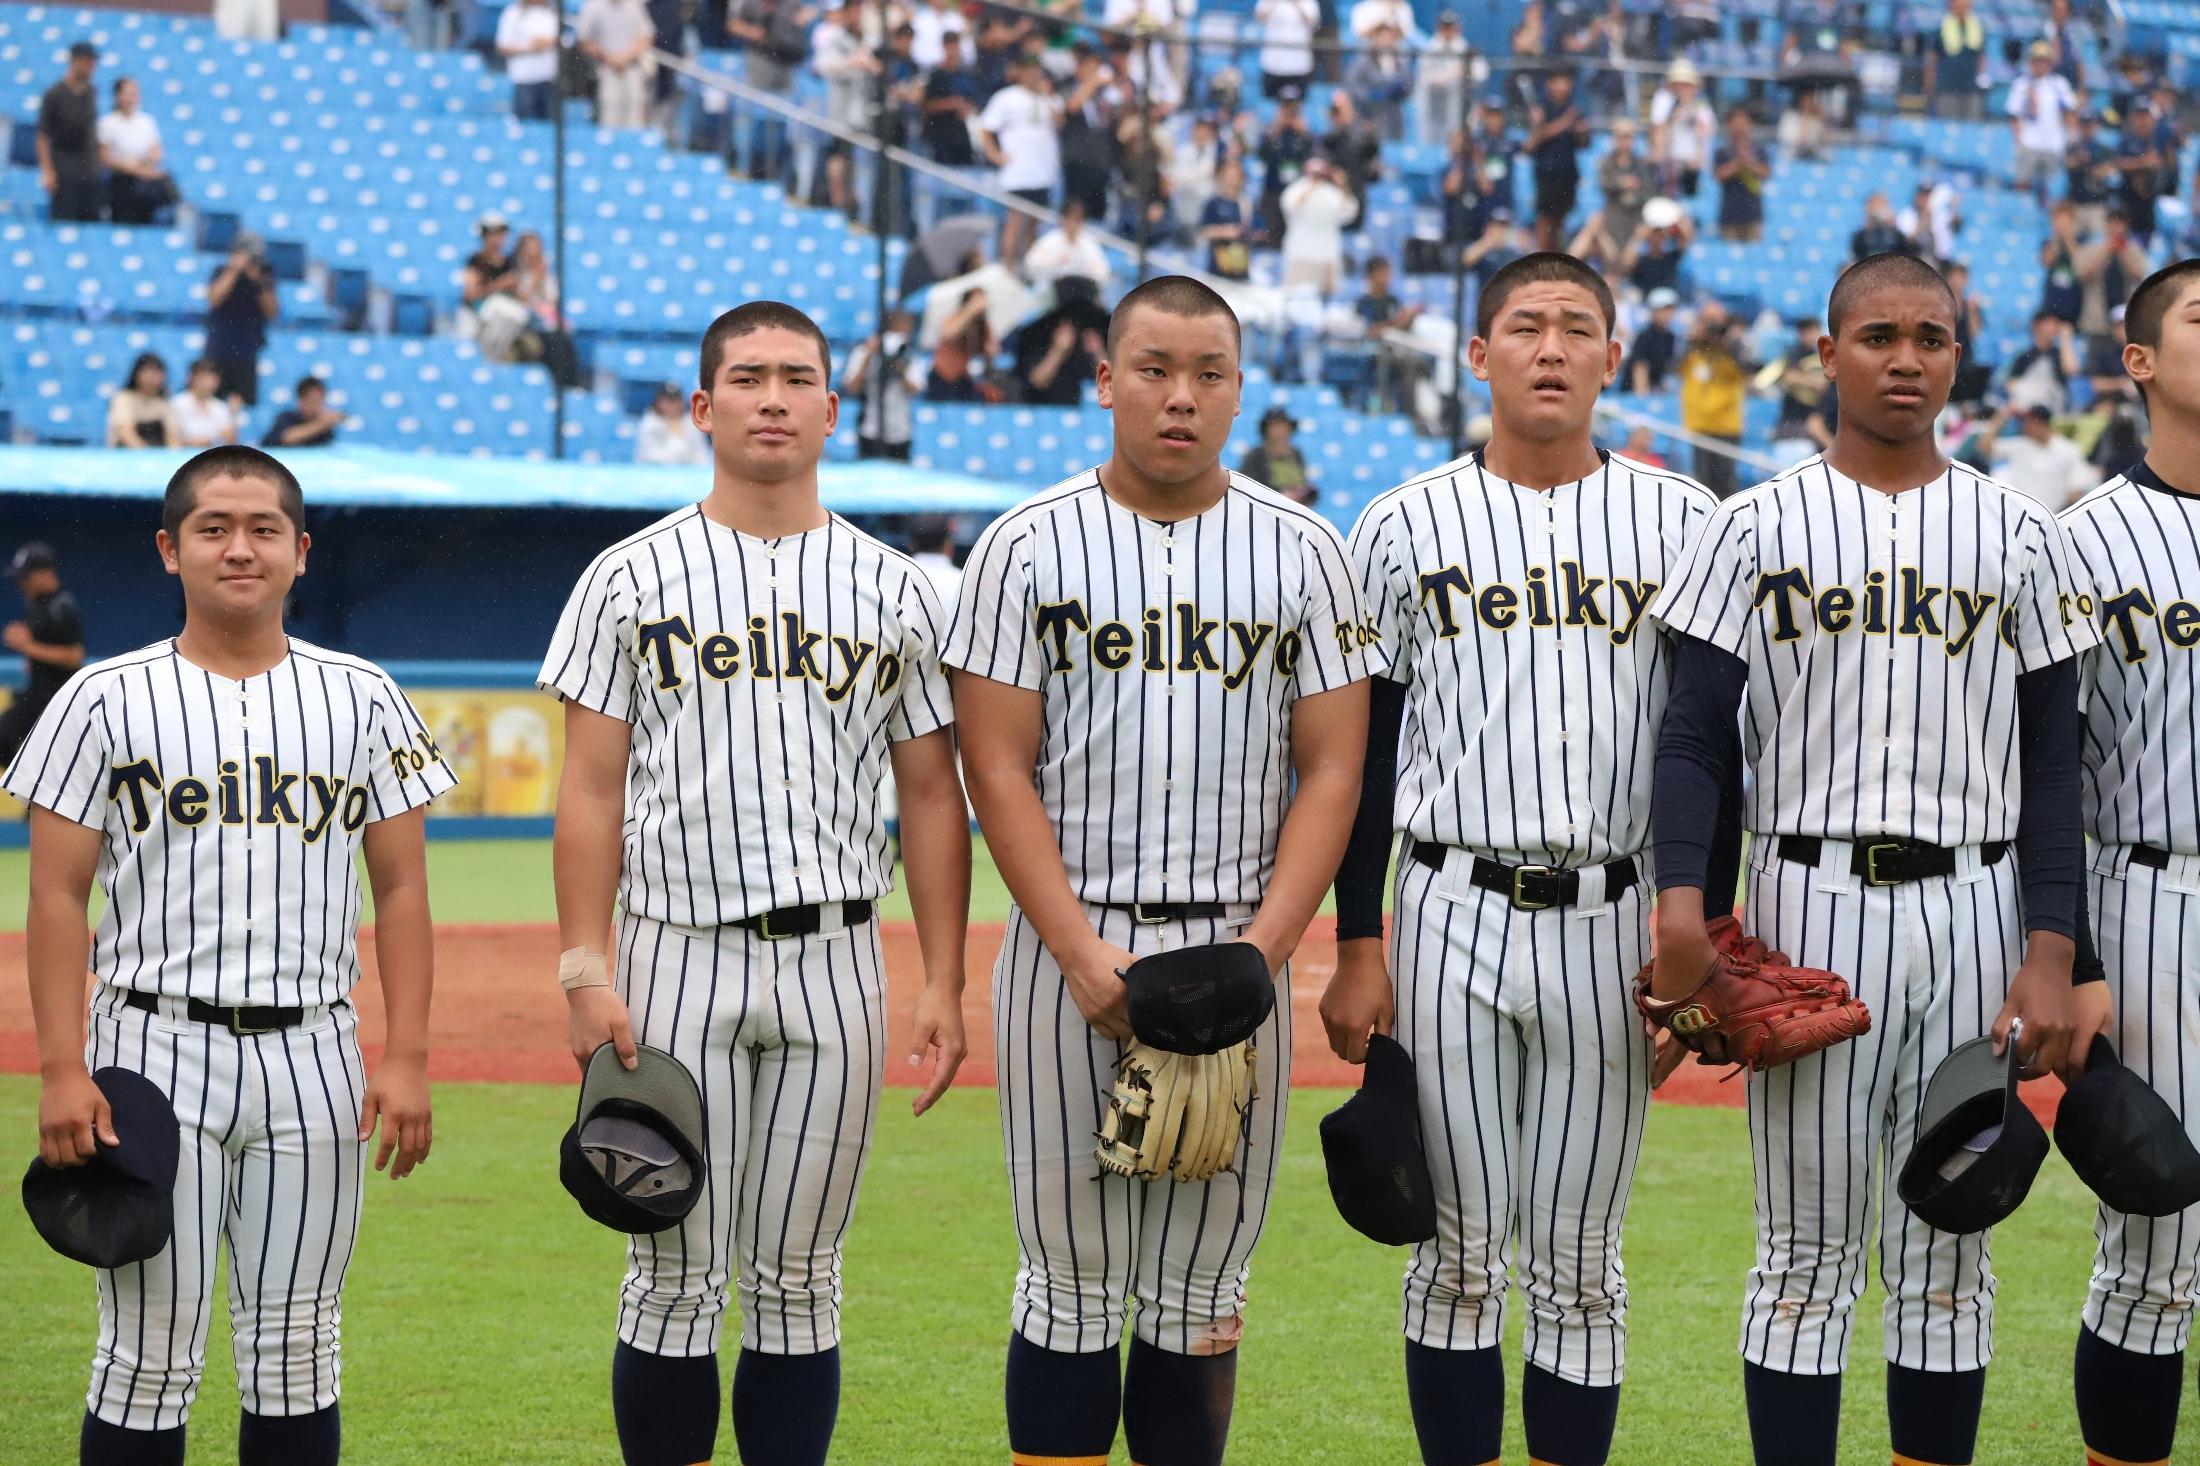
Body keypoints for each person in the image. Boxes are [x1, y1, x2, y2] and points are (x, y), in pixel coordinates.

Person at [1644, 252, 2102, 1466]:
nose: (1907, 359)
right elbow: (1692, 734)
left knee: (1948, 1250)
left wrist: (2050, 946)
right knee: (1802, 1254)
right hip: (1807, 901)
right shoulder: (1749, 526)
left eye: (1932, 338)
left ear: (1960, 354)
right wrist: (1683, 904)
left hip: (1973, 902)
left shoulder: (2018, 531)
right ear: (1827, 350)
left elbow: (2054, 762)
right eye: (1881, 336)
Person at [946, 274, 1371, 1466]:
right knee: (1069, 1281)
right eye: (1153, 370)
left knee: (1197, 1290)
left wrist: (1264, 956)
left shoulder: (1304, 550)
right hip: (1066, 950)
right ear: (1106, 380)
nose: (1180, 397)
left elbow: (1332, 768)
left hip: (1238, 941)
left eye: (1208, 374)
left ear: (1238, 391)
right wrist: (1082, 954)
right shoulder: (1024, 544)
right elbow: (997, 765)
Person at [544, 301, 968, 1466]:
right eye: (746, 377)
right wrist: (585, 967)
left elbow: (932, 792)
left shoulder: (898, 587)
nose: (771, 396)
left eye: (796, 378)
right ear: (701, 406)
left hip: (837, 955)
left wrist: (941, 975)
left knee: (800, 1276)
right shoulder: (628, 575)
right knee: (671, 1271)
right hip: (673, 948)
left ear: (833, 408)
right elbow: (587, 789)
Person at [1325, 250, 1720, 1466]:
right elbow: (1365, 750)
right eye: (1525, 326)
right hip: (1449, 904)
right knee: (1453, 1252)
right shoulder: (1399, 524)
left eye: (1575, 327)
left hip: (1616, 912)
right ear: (1476, 353)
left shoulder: (1685, 520)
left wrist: (1702, 929)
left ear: (1614, 357)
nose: (1550, 347)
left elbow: (1709, 739)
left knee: (1580, 1264)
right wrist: (1356, 939)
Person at [7, 445, 451, 1466]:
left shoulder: (365, 694)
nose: (238, 547)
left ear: (301, 550)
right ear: (170, 550)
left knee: (296, 1349)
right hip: (151, 1047)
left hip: (314, 1053)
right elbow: (57, 892)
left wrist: (409, 1052)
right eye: (213, 528)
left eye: (262, 529)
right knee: (146, 1352)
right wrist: (61, 1067)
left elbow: (402, 887)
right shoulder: (103, 697)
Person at [2057, 257, 2200, 1466]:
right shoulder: (2087, 542)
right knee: (2156, 1247)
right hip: (2154, 899)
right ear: (2139, 361)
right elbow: (2040, 773)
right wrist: (2079, 953)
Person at [0, 543, 85, 768]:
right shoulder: (36, 605)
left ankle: (33, 790)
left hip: (56, 699)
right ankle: (32, 793)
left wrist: (27, 646)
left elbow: (74, 656)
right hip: (36, 694)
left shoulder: (62, 605)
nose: (21, 584)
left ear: (44, 573)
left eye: (25, 577)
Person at [976, 56, 1064, 267]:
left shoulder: (1049, 99)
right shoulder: (1006, 98)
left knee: (1035, 226)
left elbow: (1060, 122)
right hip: (1018, 172)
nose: (1034, 75)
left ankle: (1031, 270)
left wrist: (1047, 96)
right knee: (1015, 223)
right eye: (1030, 70)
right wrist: (995, 155)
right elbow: (985, 128)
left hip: (1043, 174)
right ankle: (1008, 268)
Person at [1678, 301, 1746, 498]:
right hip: (1700, 426)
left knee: (1726, 484)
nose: (1712, 327)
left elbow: (1746, 370)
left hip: (1726, 426)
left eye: (1716, 322)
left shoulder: (1733, 347)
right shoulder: (1694, 349)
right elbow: (1674, 366)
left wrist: (1727, 343)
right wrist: (1692, 340)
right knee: (1702, 485)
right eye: (1708, 321)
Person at [205, 233, 278, 408]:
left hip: (247, 353)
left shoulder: (264, 276)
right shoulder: (222, 271)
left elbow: (272, 311)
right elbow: (214, 298)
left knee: (244, 406)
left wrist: (259, 281)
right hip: (219, 351)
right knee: (213, 403)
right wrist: (234, 270)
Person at [1356, 256, 1428, 423]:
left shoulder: (1392, 300)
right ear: (1372, 276)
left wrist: (1409, 318)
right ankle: (1383, 406)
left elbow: (1400, 328)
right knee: (1383, 359)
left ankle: (1411, 413)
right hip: (1372, 350)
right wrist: (1396, 323)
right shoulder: (1363, 302)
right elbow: (1370, 331)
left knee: (1411, 362)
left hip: (1396, 349)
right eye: (1383, 274)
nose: (1388, 278)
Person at [1526, 70, 1590, 250]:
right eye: (1558, 81)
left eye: (1566, 82)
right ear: (1549, 84)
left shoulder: (1574, 109)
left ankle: (1555, 257)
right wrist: (1564, 123)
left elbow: (1584, 144)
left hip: (1567, 172)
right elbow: (1533, 142)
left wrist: (1582, 132)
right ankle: (1541, 256)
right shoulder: (1541, 108)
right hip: (1546, 172)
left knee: (1560, 219)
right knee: (1545, 218)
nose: (1562, 86)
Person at [2007, 39, 2077, 205]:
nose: (2040, 65)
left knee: (2052, 186)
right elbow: (2014, 115)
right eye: (2036, 61)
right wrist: (2018, 141)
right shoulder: (2021, 84)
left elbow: (2070, 112)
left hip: (2053, 144)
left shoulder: (2059, 84)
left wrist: (2071, 138)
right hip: (2029, 142)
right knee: (2023, 183)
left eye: (2043, 61)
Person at [38, 41, 101, 223]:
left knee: (91, 223)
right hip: (64, 169)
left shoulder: (91, 92)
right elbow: (43, 136)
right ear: (76, 62)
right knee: (65, 220)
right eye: (89, 63)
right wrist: (47, 171)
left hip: (88, 170)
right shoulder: (55, 94)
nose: (92, 68)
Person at [1988, 402, 2094, 510]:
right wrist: (1999, 419)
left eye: (2028, 422)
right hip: (2023, 517)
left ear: (2040, 423)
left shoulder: (2068, 449)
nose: (2024, 426)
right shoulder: (2020, 445)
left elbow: (2077, 488)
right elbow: (1985, 447)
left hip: (2055, 518)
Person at [97, 77, 173, 225]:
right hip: (121, 181)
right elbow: (105, 158)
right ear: (117, 96)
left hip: (145, 178)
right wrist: (136, 169)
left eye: (134, 94)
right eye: (127, 94)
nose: (130, 98)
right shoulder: (108, 123)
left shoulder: (146, 121)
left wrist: (145, 165)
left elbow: (156, 150)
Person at [1279, 157, 1358, 296]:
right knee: (1296, 297)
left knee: (1327, 297)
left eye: (1320, 173)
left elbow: (1349, 213)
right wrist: (1310, 188)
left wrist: (1342, 185)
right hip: (1300, 254)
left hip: (1327, 256)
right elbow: (1290, 207)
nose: (1317, 177)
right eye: (1314, 173)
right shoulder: (1296, 189)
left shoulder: (1332, 193)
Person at [577, 0, 655, 129]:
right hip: (607, 69)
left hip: (632, 68)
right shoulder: (593, 7)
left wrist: (625, 57)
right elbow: (584, 40)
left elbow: (646, 37)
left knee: (635, 116)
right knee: (609, 115)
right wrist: (609, 58)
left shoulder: (633, 6)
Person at [1648, 59, 1715, 199]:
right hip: (1667, 163)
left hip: (1690, 167)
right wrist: (1678, 109)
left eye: (1686, 84)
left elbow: (1705, 132)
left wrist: (1690, 108)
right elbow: (1658, 129)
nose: (1681, 88)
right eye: (1678, 84)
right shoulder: (1663, 101)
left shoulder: (1701, 106)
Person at [1417, 11, 1478, 149]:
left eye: (1451, 27)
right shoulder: (1430, 48)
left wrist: (1450, 74)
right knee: (1432, 148)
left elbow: (1480, 73)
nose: (1448, 31)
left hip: (1457, 110)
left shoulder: (1464, 47)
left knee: (1455, 150)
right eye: (1445, 27)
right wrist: (1456, 71)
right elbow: (1426, 79)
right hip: (1432, 111)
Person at [919, 31, 980, 167]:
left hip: (961, 134)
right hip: (941, 136)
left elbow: (973, 102)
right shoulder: (936, 75)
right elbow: (926, 105)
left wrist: (966, 108)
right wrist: (951, 104)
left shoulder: (965, 75)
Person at [1022, 198, 1111, 289]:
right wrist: (1056, 263)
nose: (1073, 224)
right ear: (1063, 219)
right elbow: (1031, 264)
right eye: (1070, 218)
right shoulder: (1049, 241)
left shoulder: (1090, 244)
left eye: (1078, 219)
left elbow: (1103, 272)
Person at [497, 0, 563, 122]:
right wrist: (531, 47)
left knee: (550, 126)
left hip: (550, 78)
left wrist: (550, 42)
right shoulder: (512, 13)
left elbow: (566, 39)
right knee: (525, 125)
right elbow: (503, 47)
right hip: (524, 79)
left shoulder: (553, 12)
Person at [1237, 405, 1317, 505]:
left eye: (1283, 426)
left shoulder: (1296, 453)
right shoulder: (1256, 456)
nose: (1279, 431)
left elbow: (1303, 482)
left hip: (1295, 510)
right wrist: (1280, 496)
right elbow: (1246, 486)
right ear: (1266, 430)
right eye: (1274, 426)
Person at [1714, 105, 1770, 244]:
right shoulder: (1723, 152)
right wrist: (1738, 163)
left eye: (1743, 122)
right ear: (1730, 125)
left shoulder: (1759, 150)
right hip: (1730, 214)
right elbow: (1719, 175)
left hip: (1753, 214)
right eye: (1736, 123)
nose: (1740, 127)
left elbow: (1765, 172)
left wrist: (1749, 163)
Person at [1927, 0, 1988, 121]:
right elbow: (1932, 59)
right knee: (1947, 124)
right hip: (1947, 87)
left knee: (1971, 128)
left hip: (1971, 87)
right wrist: (1930, 84)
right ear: (1951, 5)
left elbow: (1981, 57)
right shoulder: (1941, 27)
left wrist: (1981, 78)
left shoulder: (1978, 27)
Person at [105, 353, 175, 449]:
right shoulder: (123, 398)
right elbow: (126, 433)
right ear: (136, 374)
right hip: (126, 456)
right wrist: (147, 458)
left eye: (156, 372)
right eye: (146, 372)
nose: (151, 377)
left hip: (159, 457)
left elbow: (173, 435)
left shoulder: (164, 401)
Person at [1199, 157, 1253, 280]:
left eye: (1235, 176)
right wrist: (1224, 231)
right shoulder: (1213, 202)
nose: (1232, 179)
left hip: (1239, 267)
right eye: (1229, 175)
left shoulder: (1245, 202)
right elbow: (1204, 231)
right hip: (1218, 268)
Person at [1252, 0, 1317, 99]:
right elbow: (1260, 18)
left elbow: (1312, 22)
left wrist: (1296, 3)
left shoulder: (1308, 2)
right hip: (1273, 63)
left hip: (1299, 65)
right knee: (1270, 103)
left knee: (1298, 105)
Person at [633, 382, 711, 464]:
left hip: (688, 472)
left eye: (675, 401)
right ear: (658, 402)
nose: (672, 405)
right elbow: (649, 455)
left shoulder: (692, 422)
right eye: (667, 401)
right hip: (655, 473)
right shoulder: (649, 422)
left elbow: (701, 455)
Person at [169, 358, 239, 448]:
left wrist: (233, 414)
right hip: (183, 456)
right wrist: (193, 443)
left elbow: (231, 443)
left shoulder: (221, 408)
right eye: (202, 377)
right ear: (191, 378)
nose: (206, 382)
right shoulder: (177, 403)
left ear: (217, 381)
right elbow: (171, 439)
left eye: (211, 377)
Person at [1626, 287, 1681, 394]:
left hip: (1656, 391)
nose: (1666, 313)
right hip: (1636, 393)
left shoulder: (1670, 337)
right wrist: (1643, 399)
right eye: (1661, 309)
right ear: (1653, 311)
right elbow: (1639, 368)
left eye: (1669, 309)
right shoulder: (1644, 336)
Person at [264, 376, 345, 447]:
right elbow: (287, 438)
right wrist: (321, 424)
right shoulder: (287, 417)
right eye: (313, 400)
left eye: (320, 400)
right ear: (300, 400)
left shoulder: (323, 424)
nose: (317, 405)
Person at [1849, 192, 1915, 262]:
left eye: (1881, 206)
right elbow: (1856, 256)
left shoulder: (1895, 236)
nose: (1878, 211)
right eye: (1874, 206)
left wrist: (1893, 224)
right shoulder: (1861, 236)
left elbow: (1908, 250)